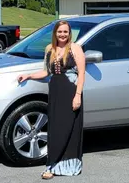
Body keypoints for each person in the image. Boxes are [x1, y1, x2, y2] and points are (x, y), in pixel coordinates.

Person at [17, 20, 86, 180]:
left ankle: (68, 166)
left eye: (65, 32)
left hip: (70, 92)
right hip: (55, 92)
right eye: (59, 32)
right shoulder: (50, 49)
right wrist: (29, 75)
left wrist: (77, 96)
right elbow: (46, 72)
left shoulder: (76, 49)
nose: (62, 34)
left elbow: (81, 74)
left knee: (69, 129)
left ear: (70, 33)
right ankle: (53, 164)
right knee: (55, 130)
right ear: (55, 33)